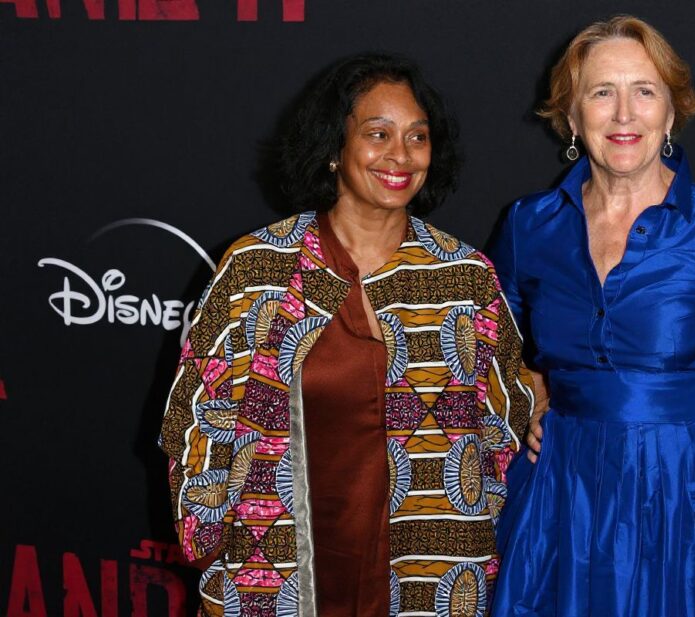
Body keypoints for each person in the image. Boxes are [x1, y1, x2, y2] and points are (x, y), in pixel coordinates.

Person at [158, 53, 533, 617]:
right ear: (334, 148)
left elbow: (504, 417)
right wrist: (211, 534)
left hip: (425, 575)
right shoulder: (258, 268)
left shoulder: (463, 277)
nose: (400, 156)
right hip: (276, 566)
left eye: (417, 136)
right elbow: (196, 414)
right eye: (377, 134)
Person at [489, 16, 695, 617]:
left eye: (645, 90)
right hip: (566, 499)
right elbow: (491, 337)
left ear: (672, 109)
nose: (623, 114)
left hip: (694, 502)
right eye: (601, 92)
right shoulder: (529, 226)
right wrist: (530, 394)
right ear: (571, 113)